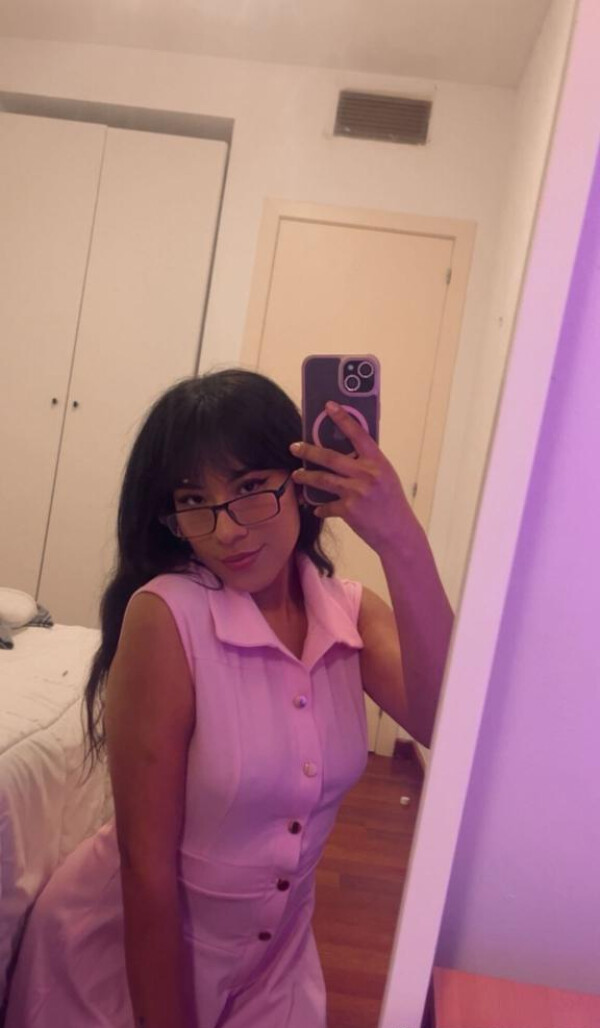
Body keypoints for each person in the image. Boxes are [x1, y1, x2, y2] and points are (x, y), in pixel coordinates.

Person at [5, 369, 453, 1028]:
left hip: (273, 968)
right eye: (195, 500)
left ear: (300, 481)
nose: (228, 530)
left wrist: (399, 538)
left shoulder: (350, 615)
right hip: (123, 974)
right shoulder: (168, 615)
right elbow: (146, 872)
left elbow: (450, 725)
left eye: (248, 489)